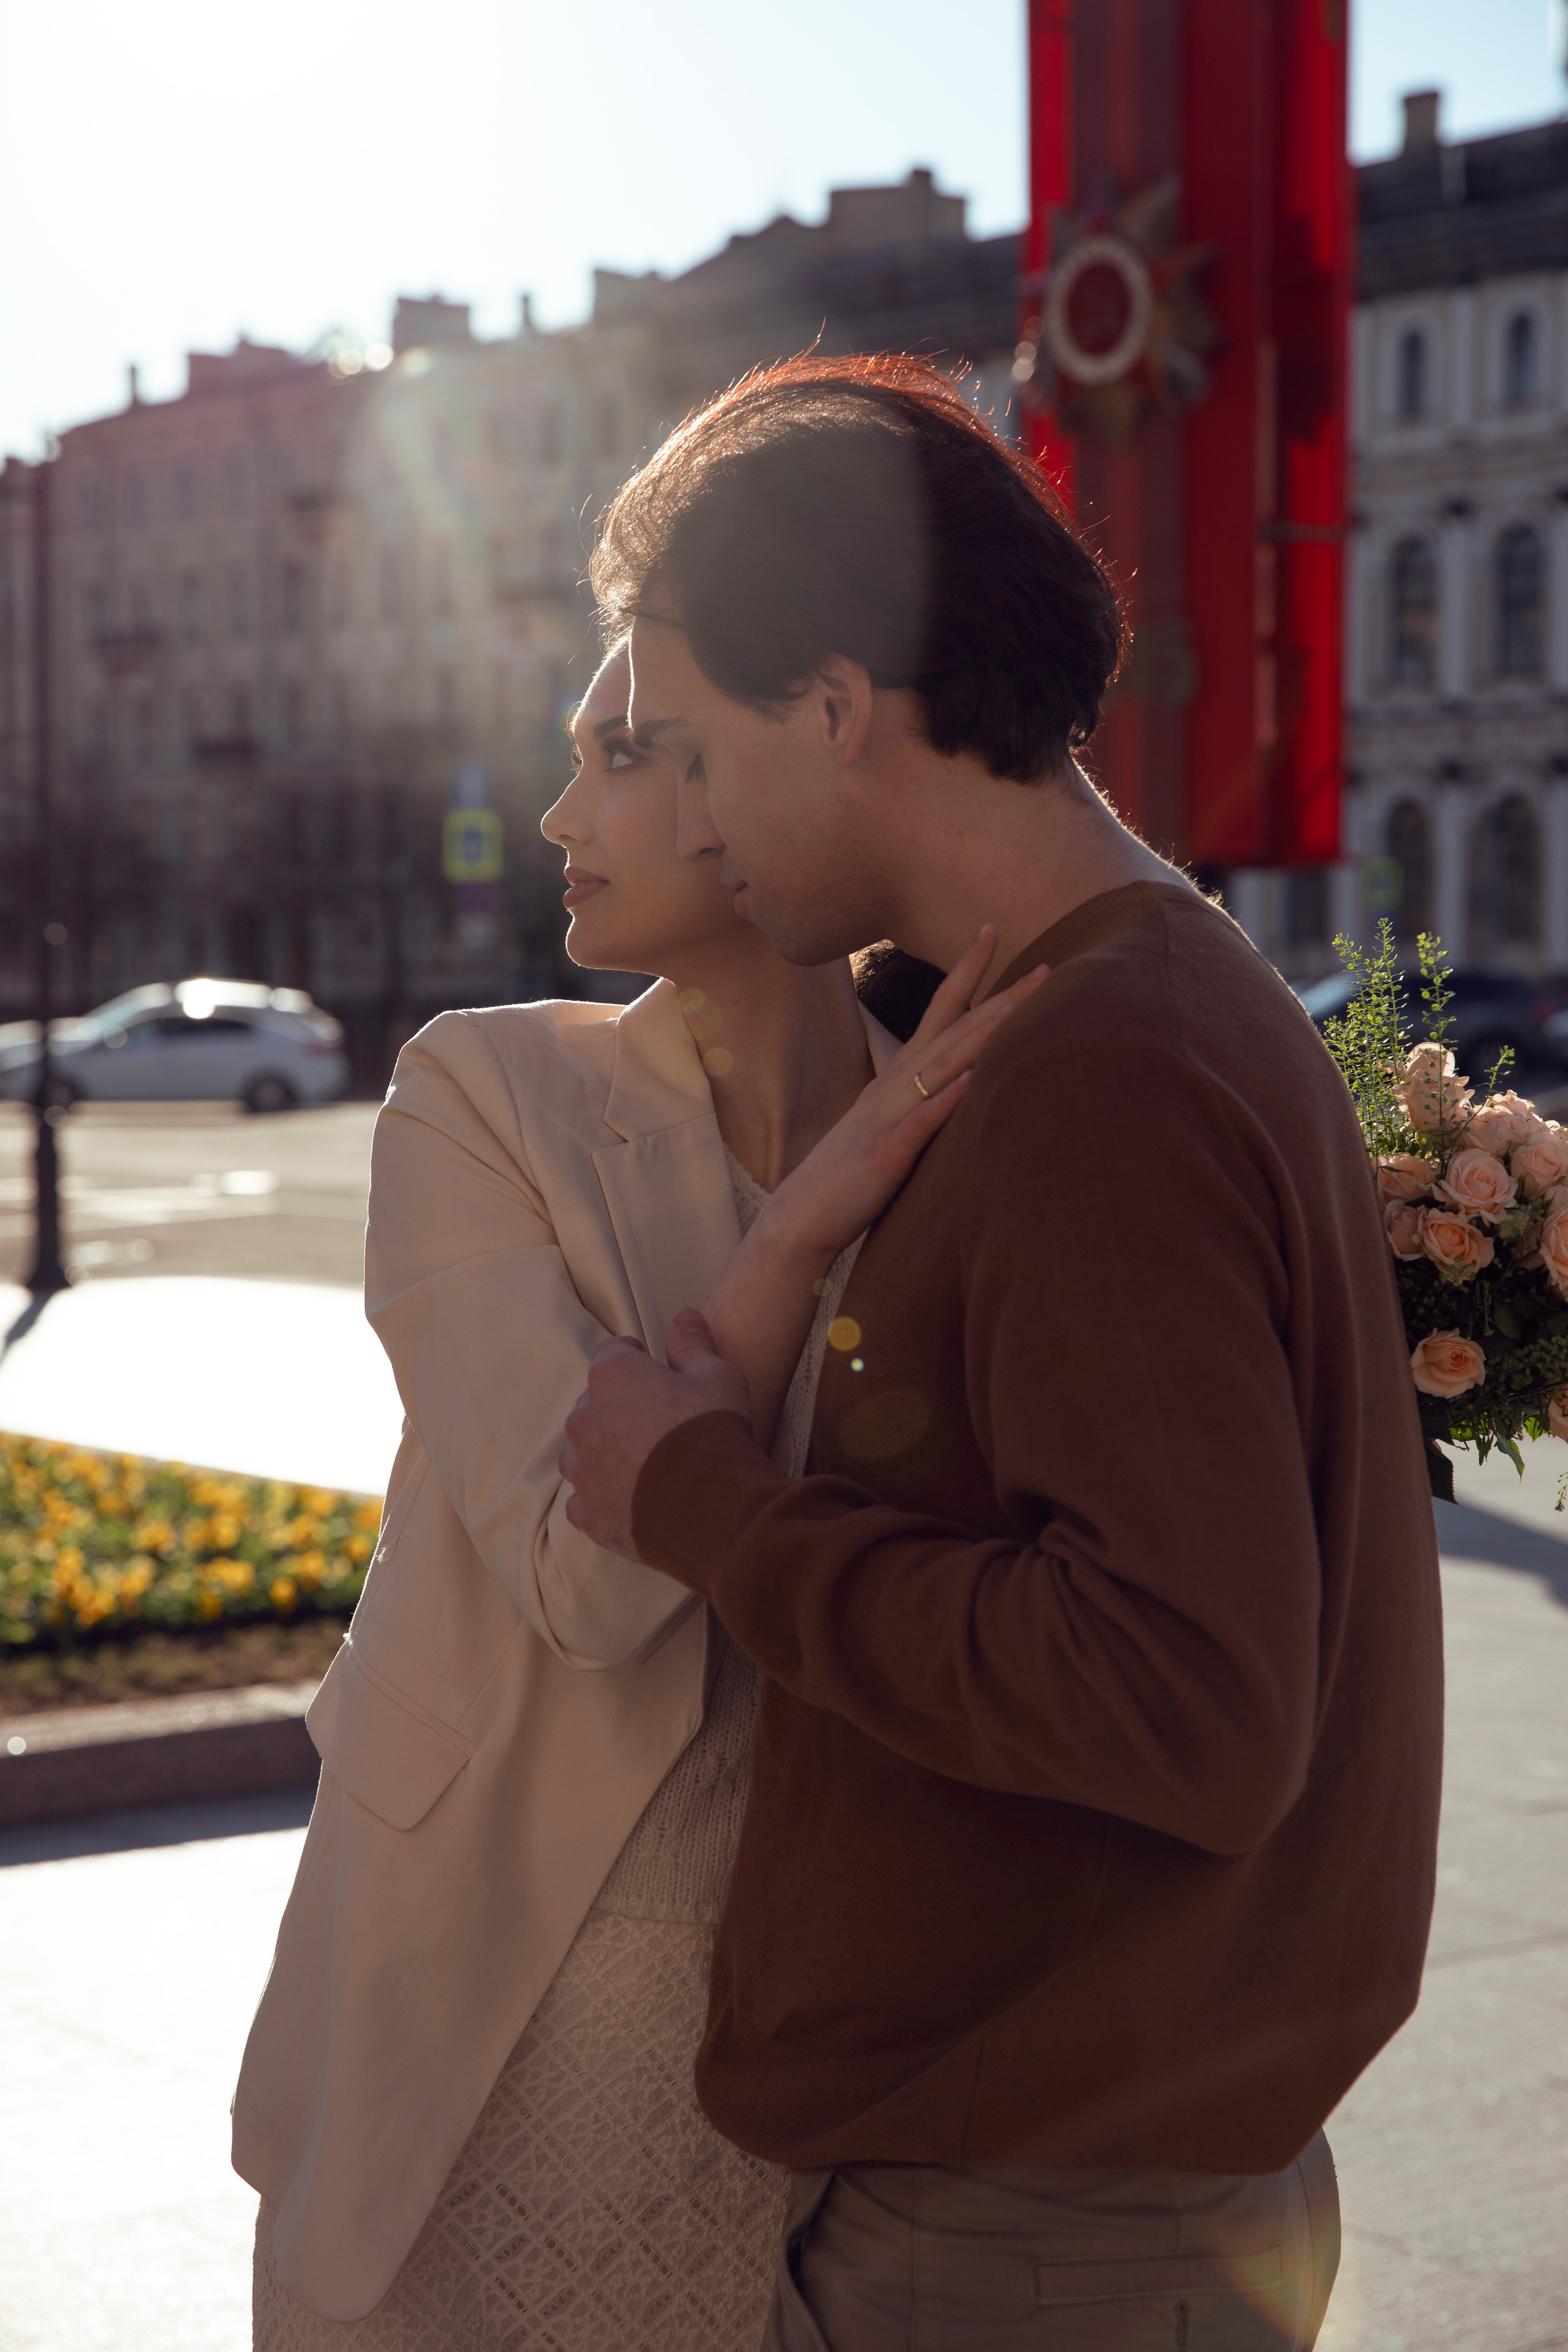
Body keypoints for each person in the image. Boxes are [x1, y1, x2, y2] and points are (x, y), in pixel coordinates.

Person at [558, 353, 1446, 2351]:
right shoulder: (1128, 995)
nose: (687, 816)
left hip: (1042, 2237)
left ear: (837, 707)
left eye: (690, 747)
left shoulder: (1102, 1063)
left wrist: (709, 1503)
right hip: (1084, 2192)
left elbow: (1183, 1698)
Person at [232, 640, 1043, 2350]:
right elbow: (580, 1582)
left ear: (772, 775)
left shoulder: (968, 1118)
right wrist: (794, 1237)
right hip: (480, 1976)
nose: (555, 814)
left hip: (806, 2009)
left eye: (620, 754)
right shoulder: (479, 1094)